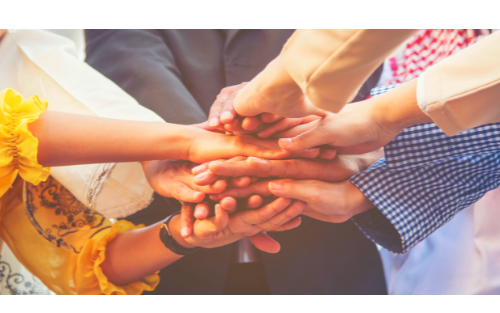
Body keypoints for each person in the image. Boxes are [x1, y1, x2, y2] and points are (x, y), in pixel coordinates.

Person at [85, 29, 387, 295]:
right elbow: (128, 56)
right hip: (173, 250)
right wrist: (198, 150)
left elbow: (353, 44)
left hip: (324, 248)